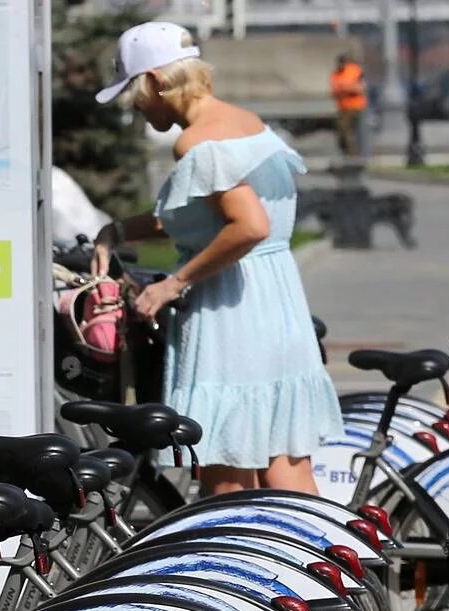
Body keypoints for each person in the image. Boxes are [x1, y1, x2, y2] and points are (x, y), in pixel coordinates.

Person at [91, 21, 343, 497]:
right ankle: (320, 567)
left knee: (225, 480)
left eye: (135, 95)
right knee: (288, 472)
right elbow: (201, 212)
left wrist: (173, 282)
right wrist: (119, 229)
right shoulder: (245, 121)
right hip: (277, 304)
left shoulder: (197, 141)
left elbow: (248, 225)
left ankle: (222, 569)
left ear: (157, 82)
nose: (137, 110)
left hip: (232, 314)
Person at [330, 54, 368, 159]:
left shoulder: (355, 71)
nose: (342, 65)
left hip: (356, 106)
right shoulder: (335, 74)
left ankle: (354, 154)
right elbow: (334, 91)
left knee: (348, 130)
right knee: (342, 131)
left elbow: (361, 87)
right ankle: (349, 153)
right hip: (343, 107)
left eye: (343, 63)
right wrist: (344, 89)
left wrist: (347, 88)